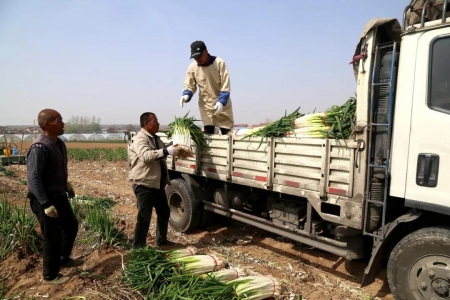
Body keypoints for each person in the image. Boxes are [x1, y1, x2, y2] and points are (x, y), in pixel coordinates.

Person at [26, 109, 82, 285]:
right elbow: (34, 177)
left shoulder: (58, 143)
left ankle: (63, 258)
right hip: (45, 199)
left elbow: (57, 170)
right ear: (47, 124)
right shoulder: (39, 147)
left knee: (71, 226)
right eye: (59, 120)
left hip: (59, 195)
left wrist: (66, 186)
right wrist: (45, 203)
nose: (63, 123)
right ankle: (50, 275)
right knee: (52, 236)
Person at [128, 112, 181, 248]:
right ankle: (138, 247)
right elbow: (146, 156)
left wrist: (176, 142)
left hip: (156, 184)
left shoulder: (155, 138)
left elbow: (164, 149)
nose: (157, 123)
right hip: (144, 184)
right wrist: (166, 151)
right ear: (146, 124)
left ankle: (161, 241)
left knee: (164, 212)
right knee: (144, 218)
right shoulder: (140, 139)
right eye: (155, 121)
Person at [180, 40, 234, 135]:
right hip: (205, 104)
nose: (198, 59)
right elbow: (189, 84)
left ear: (206, 51)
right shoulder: (192, 67)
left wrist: (221, 101)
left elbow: (226, 84)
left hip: (221, 103)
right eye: (195, 57)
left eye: (200, 56)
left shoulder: (219, 63)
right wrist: (186, 95)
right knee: (208, 132)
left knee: (226, 131)